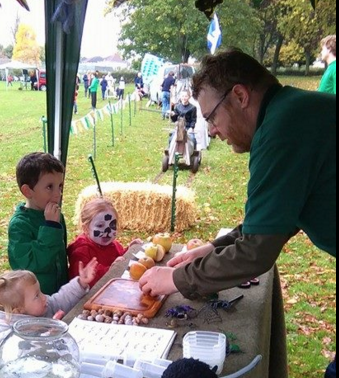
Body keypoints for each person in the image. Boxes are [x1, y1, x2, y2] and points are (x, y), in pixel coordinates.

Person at [139, 49, 336, 378]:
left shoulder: (282, 130)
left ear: (240, 96)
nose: (212, 131)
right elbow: (277, 218)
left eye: (212, 117)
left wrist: (173, 278)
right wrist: (215, 247)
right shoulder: (292, 112)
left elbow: (256, 253)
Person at [0, 260, 98, 377]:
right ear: (19, 310)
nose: (44, 297)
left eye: (40, 292)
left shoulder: (41, 307)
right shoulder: (4, 334)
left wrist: (80, 283)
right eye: (36, 296)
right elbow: (22, 354)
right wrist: (46, 336)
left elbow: (60, 300)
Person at [8, 152, 69, 296]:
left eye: (60, 186)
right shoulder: (19, 225)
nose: (58, 193)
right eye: (49, 187)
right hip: (34, 300)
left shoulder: (56, 216)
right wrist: (50, 228)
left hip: (59, 293)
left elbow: (60, 253)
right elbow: (30, 265)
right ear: (28, 191)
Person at [68, 198, 142, 288]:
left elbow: (120, 258)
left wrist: (128, 251)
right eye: (100, 225)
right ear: (86, 228)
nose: (107, 231)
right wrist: (111, 270)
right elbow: (84, 278)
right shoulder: (81, 251)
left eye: (112, 225)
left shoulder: (112, 244)